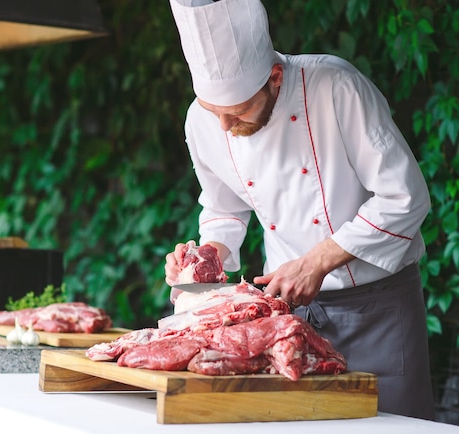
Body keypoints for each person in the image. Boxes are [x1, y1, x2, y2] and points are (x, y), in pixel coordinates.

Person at [164, 0, 435, 420]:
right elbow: (223, 207)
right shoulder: (201, 122)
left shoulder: (335, 86)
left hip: (380, 310)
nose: (224, 127)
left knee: (396, 426)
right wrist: (207, 257)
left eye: (236, 113)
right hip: (292, 321)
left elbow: (405, 197)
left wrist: (317, 261)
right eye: (213, 111)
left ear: (275, 78)